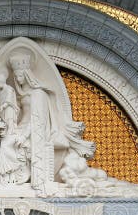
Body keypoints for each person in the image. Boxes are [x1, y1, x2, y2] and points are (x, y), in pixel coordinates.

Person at [10, 47, 94, 191]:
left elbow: (38, 120)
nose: (18, 79)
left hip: (35, 131)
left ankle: (25, 176)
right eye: (16, 76)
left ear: (28, 75)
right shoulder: (20, 95)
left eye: (21, 76)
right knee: (1, 143)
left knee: (19, 144)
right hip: (20, 128)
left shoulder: (38, 94)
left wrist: (24, 135)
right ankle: (9, 178)